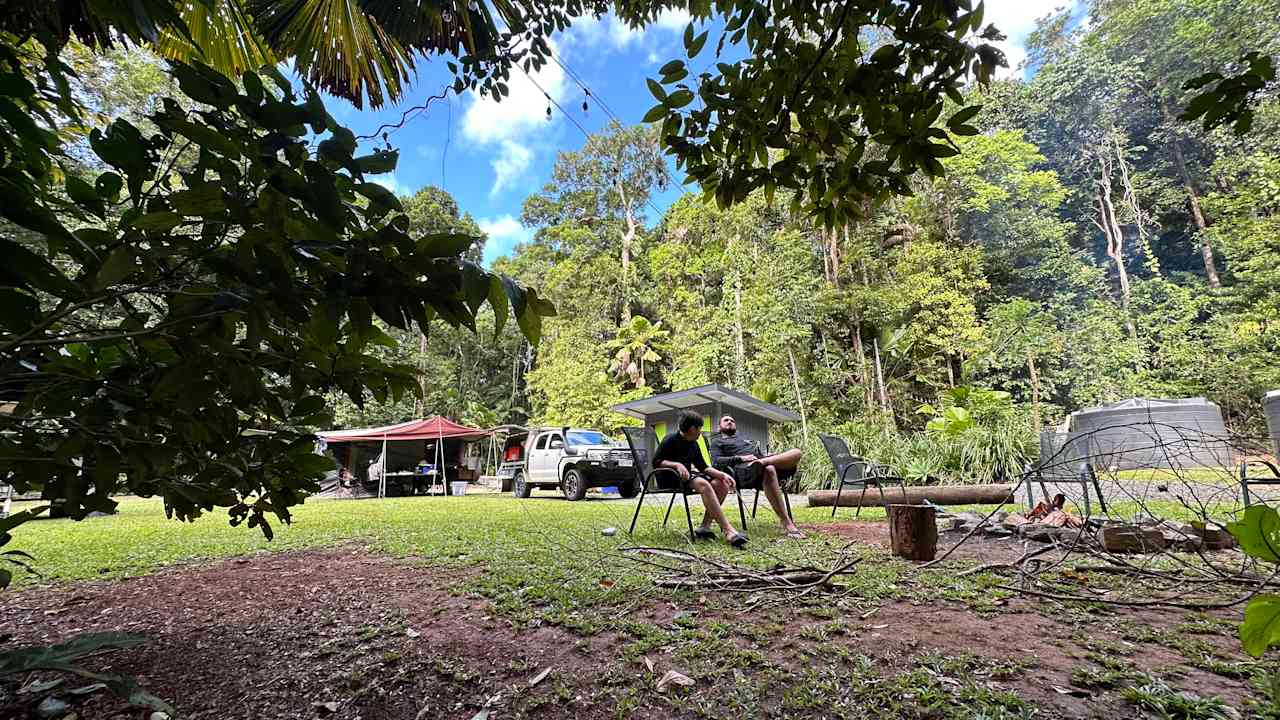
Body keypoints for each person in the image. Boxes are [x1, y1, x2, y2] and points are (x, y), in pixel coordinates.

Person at [653, 411, 748, 548]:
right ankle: (728, 530)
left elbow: (703, 467)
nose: (700, 432)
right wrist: (676, 465)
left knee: (720, 484)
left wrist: (723, 475)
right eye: (699, 429)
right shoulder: (670, 439)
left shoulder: (693, 444)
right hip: (668, 477)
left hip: (687, 478)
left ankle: (705, 527)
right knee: (703, 484)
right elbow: (656, 462)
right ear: (692, 429)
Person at [709, 415, 805, 539]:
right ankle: (787, 523)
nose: (730, 422)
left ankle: (764, 461)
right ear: (719, 427)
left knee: (796, 452)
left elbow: (757, 454)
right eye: (726, 420)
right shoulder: (717, 442)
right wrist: (741, 458)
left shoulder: (744, 440)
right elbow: (716, 461)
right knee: (769, 468)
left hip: (761, 465)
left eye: (732, 420)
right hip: (743, 472)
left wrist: (765, 456)